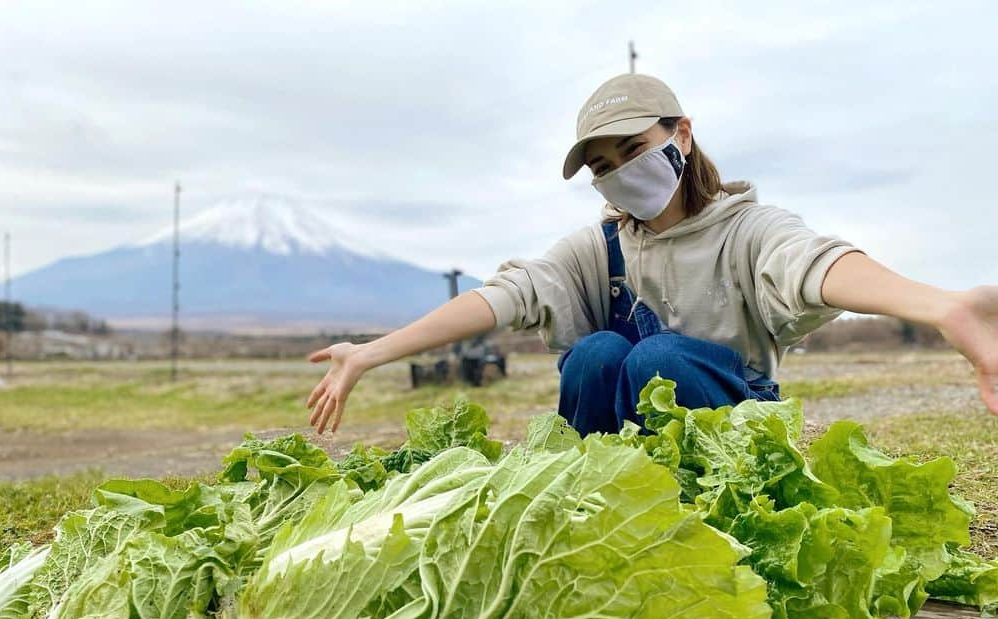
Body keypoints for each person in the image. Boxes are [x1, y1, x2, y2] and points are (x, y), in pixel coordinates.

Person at [306, 73, 998, 436]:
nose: (619, 172)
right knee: (596, 354)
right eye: (603, 164)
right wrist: (372, 351)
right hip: (624, 465)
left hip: (736, 439)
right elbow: (502, 297)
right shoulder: (599, 249)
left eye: (633, 149)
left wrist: (941, 306)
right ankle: (595, 510)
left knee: (654, 359)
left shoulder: (745, 230)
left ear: (682, 135)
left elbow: (817, 265)